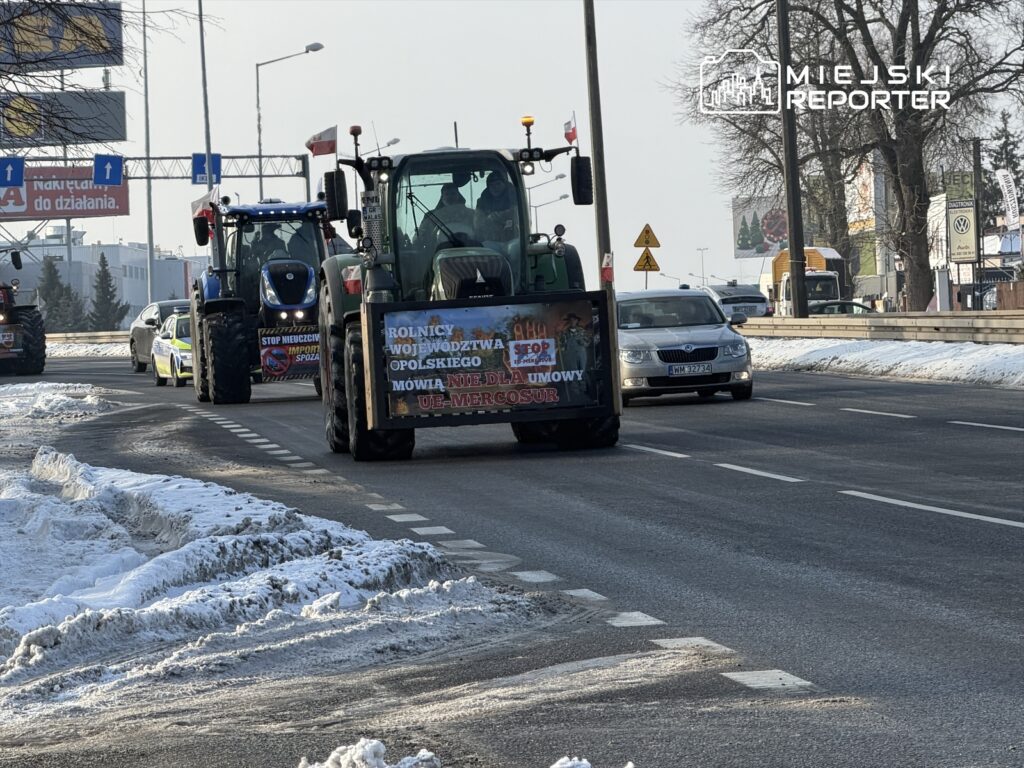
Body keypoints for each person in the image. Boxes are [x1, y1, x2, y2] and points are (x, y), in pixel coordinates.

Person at [419, 183, 475, 248]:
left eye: (453, 194)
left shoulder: (471, 214)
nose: (450, 197)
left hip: (470, 248)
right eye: (447, 194)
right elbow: (421, 236)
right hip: (437, 251)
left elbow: (480, 231)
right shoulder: (430, 216)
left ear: (458, 196)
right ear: (442, 197)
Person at [475, 171, 517, 244]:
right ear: (488, 187)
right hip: (490, 241)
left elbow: (517, 214)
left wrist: (495, 217)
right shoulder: (482, 202)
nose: (495, 187)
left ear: (504, 184)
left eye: (498, 184)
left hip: (513, 241)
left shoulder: (515, 197)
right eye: (492, 185)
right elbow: (478, 224)